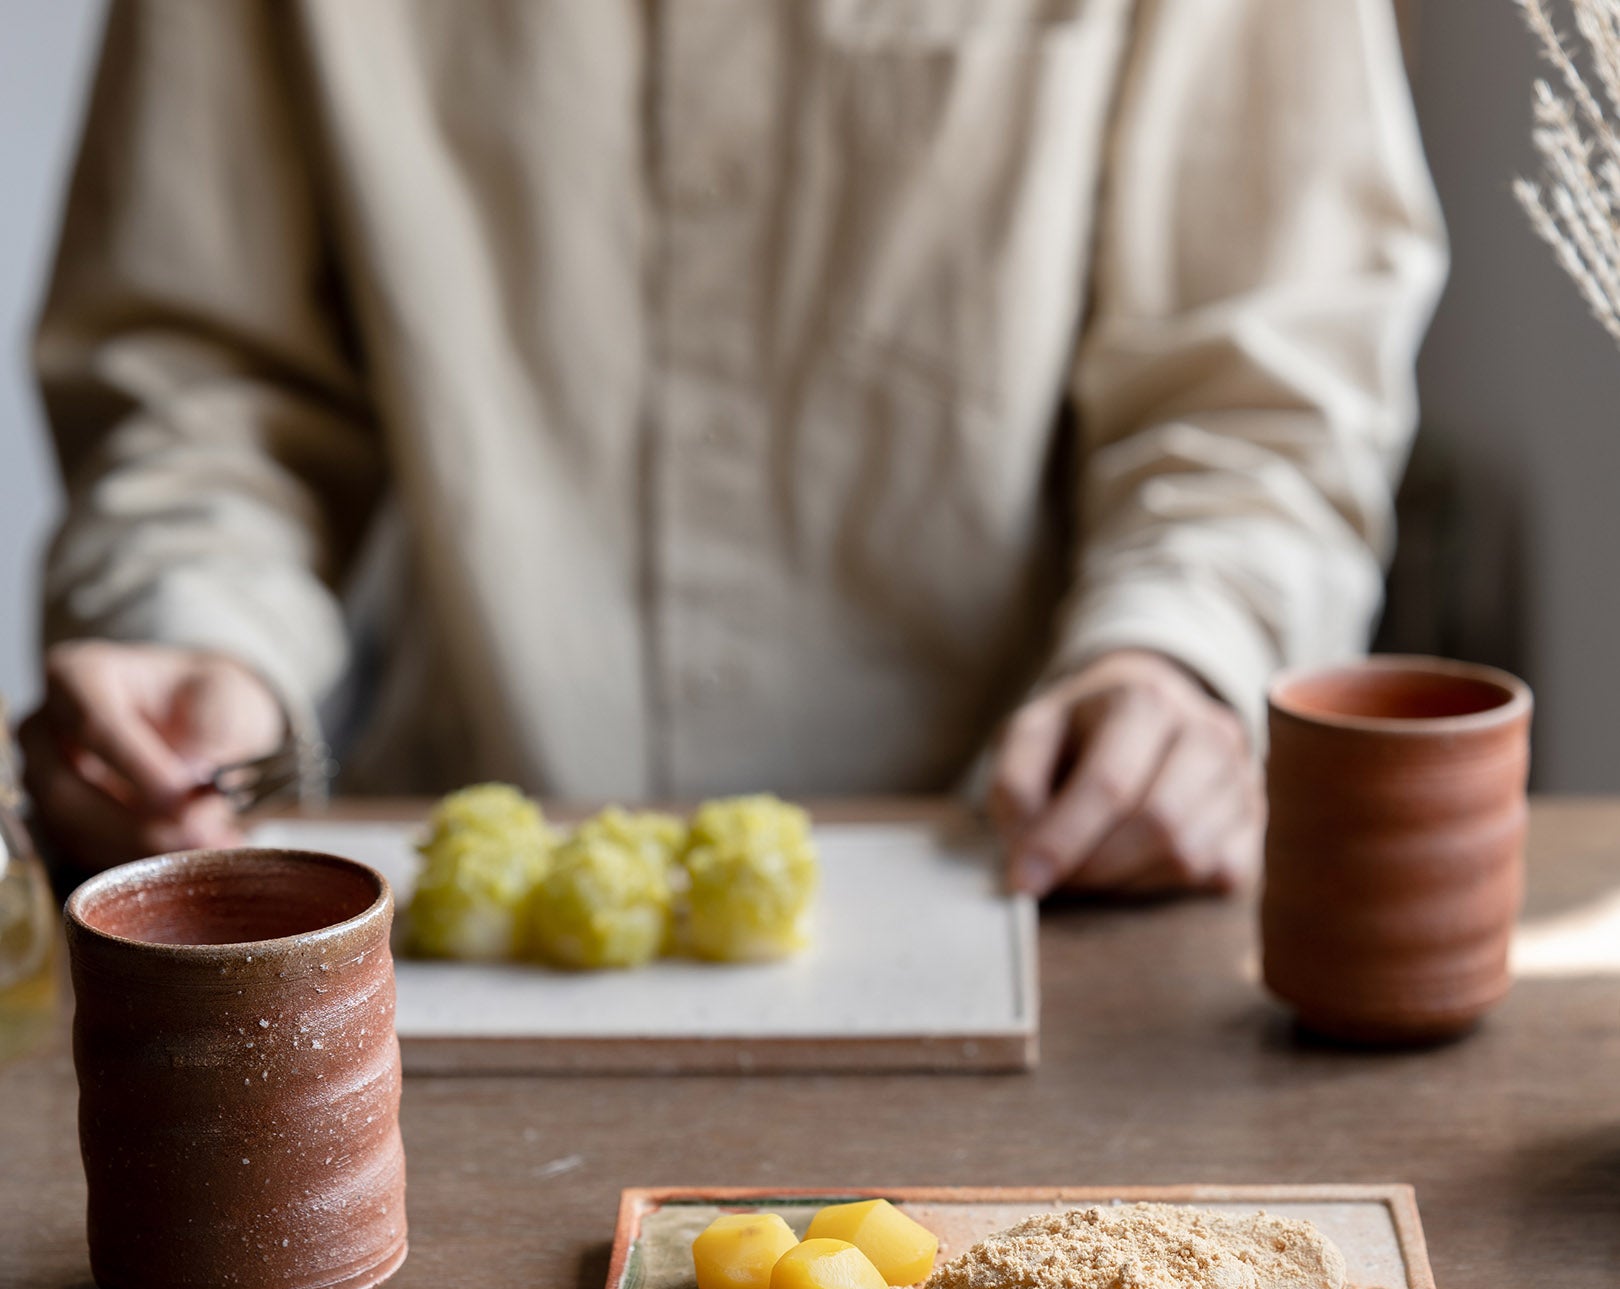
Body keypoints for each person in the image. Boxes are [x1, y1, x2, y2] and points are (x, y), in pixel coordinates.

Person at [20, 0, 1445, 895]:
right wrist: (205, 642)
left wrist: (1172, 659)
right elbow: (202, 376)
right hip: (452, 913)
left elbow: (1258, 377)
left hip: (1044, 886)